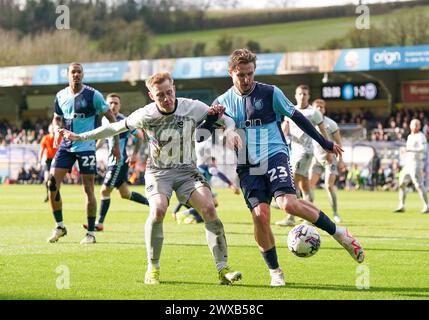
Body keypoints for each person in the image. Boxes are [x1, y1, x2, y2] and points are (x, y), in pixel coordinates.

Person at [60, 72, 243, 286]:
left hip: (187, 171)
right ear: (151, 96)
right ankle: (153, 267)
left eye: (169, 93)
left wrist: (229, 130)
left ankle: (223, 269)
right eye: (160, 96)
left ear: (174, 88)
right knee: (157, 210)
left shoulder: (192, 106)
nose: (167, 99)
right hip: (159, 172)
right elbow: (113, 127)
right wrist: (81, 137)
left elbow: (225, 119)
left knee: (210, 208)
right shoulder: (145, 114)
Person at [212, 49, 364, 286]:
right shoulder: (222, 102)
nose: (246, 79)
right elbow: (204, 132)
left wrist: (325, 142)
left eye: (250, 73)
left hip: (275, 154)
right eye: (241, 74)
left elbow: (298, 117)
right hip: (247, 165)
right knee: (260, 216)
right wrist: (214, 121)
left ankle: (340, 234)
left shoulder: (271, 93)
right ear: (231, 72)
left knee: (287, 203)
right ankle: (275, 272)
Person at [47, 62, 120, 245]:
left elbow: (111, 118)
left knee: (88, 189)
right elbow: (57, 119)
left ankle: (90, 232)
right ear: (67, 75)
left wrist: (115, 144)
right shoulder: (61, 96)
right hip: (66, 146)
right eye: (73, 72)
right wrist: (57, 130)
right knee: (51, 183)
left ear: (83, 75)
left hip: (87, 146)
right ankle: (60, 226)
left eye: (79, 72)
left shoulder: (93, 95)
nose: (76, 75)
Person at [82, 93, 149, 232]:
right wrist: (91, 150)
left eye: (116, 103)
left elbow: (140, 136)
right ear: (106, 105)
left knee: (104, 191)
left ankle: (99, 223)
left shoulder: (124, 121)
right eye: (110, 103)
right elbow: (101, 139)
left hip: (119, 162)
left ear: (120, 106)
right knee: (125, 194)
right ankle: (153, 203)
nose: (113, 106)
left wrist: (134, 155)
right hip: (112, 162)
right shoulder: (105, 120)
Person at [275, 85, 330, 227]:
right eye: (300, 94)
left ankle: (290, 216)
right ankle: (310, 217)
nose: (302, 96)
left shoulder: (314, 113)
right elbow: (285, 128)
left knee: (291, 180)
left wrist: (327, 148)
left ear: (308, 96)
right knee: (304, 186)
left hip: (306, 152)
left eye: (305, 94)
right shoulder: (291, 110)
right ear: (295, 95)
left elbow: (323, 131)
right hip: (294, 151)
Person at [172, 156, 240, 224]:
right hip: (196, 188)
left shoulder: (201, 168)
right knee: (212, 203)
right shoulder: (209, 168)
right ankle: (183, 214)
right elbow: (218, 174)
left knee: (208, 209)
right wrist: (231, 184)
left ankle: (189, 219)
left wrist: (175, 211)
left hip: (191, 190)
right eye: (215, 163)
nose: (216, 165)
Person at [308, 99, 345, 223]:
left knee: (329, 186)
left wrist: (341, 160)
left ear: (324, 109)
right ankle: (310, 214)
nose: (319, 109)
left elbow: (339, 143)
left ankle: (335, 213)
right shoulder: (309, 122)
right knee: (309, 185)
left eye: (321, 107)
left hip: (330, 159)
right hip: (315, 158)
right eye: (317, 107)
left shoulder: (331, 124)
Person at [394, 119, 429, 213]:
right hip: (408, 164)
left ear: (419, 126)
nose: (414, 126)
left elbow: (424, 149)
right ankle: (402, 205)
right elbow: (408, 150)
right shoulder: (409, 136)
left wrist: (410, 150)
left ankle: (427, 205)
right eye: (413, 124)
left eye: (416, 125)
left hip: (416, 163)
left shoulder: (421, 136)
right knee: (401, 183)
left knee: (418, 185)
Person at [38, 124, 58, 202]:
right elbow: (41, 150)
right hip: (49, 160)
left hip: (56, 160)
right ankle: (48, 195)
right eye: (51, 128)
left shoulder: (58, 138)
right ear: (49, 130)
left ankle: (55, 195)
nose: (52, 130)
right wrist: (39, 162)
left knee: (55, 180)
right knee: (46, 179)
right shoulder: (45, 138)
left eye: (53, 128)